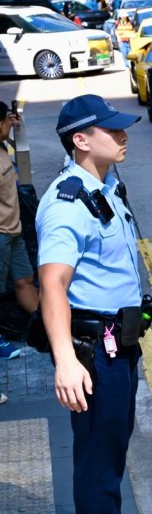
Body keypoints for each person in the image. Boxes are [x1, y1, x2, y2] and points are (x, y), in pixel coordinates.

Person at [36, 95, 144, 512]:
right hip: (95, 354)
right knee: (99, 468)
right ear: (81, 139)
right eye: (111, 129)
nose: (123, 135)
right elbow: (52, 285)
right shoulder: (68, 204)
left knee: (110, 455)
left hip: (121, 346)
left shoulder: (107, 187)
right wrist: (65, 360)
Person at [0, 103, 38, 360]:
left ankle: (45, 324)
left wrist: (14, 126)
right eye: (5, 122)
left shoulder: (2, 147)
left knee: (24, 280)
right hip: (1, 235)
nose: (8, 126)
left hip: (14, 232)